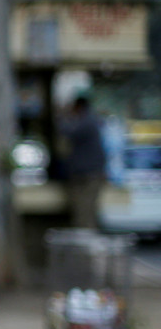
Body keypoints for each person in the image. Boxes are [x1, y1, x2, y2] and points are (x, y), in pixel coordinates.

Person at [59, 94, 107, 228]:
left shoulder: (86, 121)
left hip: (89, 174)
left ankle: (86, 242)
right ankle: (86, 239)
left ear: (78, 107)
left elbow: (67, 131)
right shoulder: (89, 120)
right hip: (87, 172)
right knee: (83, 211)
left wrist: (63, 115)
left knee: (85, 212)